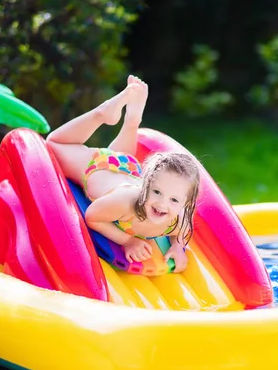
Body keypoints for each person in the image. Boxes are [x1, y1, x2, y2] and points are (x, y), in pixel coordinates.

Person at [46, 75, 200, 273]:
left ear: (186, 204)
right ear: (147, 185)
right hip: (98, 167)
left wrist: (178, 247)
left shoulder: (178, 218)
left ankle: (132, 121)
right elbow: (92, 216)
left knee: (119, 155)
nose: (163, 204)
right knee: (54, 144)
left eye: (174, 200)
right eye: (157, 192)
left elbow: (183, 229)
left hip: (128, 167)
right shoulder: (125, 203)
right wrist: (128, 241)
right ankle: (101, 113)